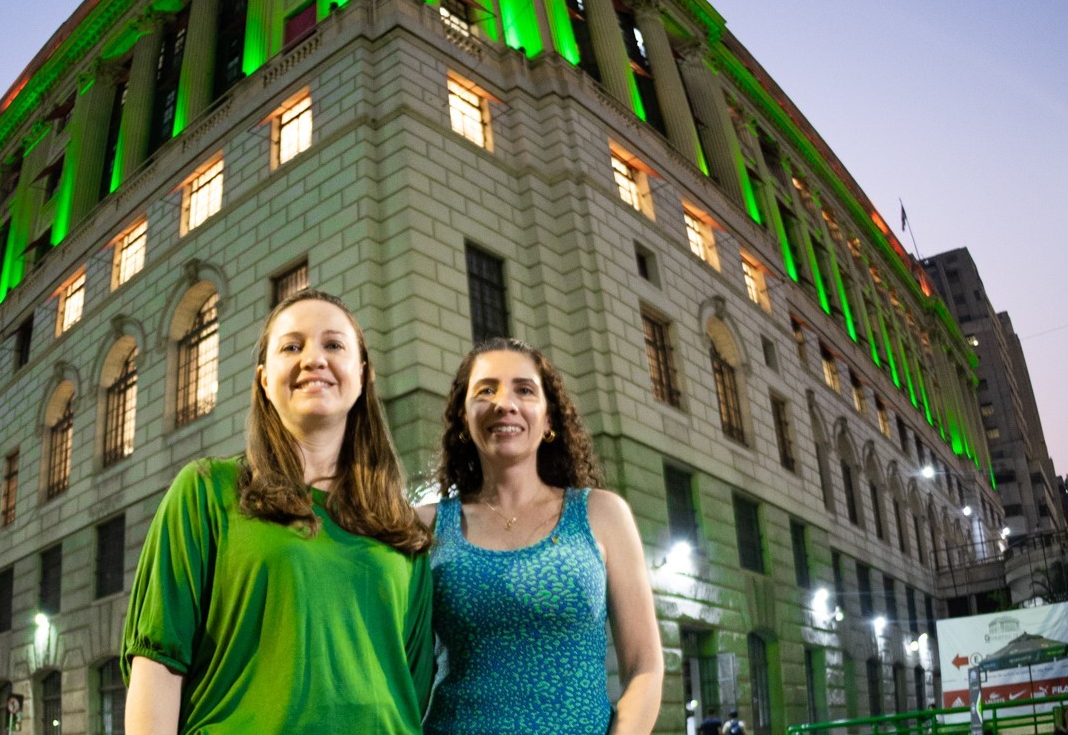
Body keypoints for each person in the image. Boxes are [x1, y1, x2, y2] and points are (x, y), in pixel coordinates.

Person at [122, 289, 434, 735]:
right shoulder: (207, 491)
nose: (313, 359)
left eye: (334, 345)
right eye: (292, 346)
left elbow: (411, 688)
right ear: (264, 380)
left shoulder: (402, 531)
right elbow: (156, 666)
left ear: (362, 376)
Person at [419, 337, 665, 735]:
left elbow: (645, 667)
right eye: (485, 390)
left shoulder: (602, 513)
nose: (504, 403)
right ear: (464, 419)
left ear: (548, 420)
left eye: (524, 389)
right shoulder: (425, 525)